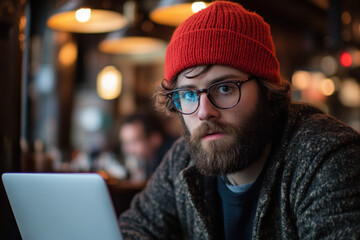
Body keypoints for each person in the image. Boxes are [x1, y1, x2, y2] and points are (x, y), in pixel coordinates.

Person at [119, 1, 360, 239]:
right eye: (189, 94)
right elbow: (133, 229)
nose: (204, 112)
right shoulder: (182, 160)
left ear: (267, 91)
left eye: (225, 88)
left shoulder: (326, 156)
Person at [119, 112, 176, 180]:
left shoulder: (174, 161)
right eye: (125, 143)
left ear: (155, 139)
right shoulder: (148, 162)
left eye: (134, 142)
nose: (127, 149)